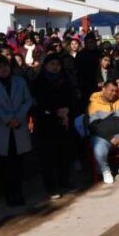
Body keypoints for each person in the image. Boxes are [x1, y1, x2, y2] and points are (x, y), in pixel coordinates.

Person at [0, 55, 34, 207]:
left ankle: (19, 192)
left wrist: (19, 117)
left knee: (18, 163)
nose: (3, 69)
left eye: (6, 66)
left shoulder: (19, 81)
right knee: (4, 164)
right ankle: (9, 194)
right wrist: (7, 119)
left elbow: (27, 100)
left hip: (19, 126)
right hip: (1, 128)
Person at [31, 54, 77, 199]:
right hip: (46, 122)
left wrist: (67, 110)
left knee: (64, 154)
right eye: (52, 64)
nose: (55, 67)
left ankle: (65, 181)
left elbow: (73, 98)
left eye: (57, 64)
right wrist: (56, 111)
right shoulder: (39, 82)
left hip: (65, 121)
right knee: (48, 157)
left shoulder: (66, 79)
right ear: (45, 66)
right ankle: (51, 187)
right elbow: (39, 102)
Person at [87, 80, 119, 185]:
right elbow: (93, 125)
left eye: (116, 91)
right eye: (111, 90)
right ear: (103, 89)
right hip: (102, 137)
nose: (114, 93)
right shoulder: (93, 104)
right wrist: (109, 137)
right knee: (99, 150)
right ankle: (105, 170)